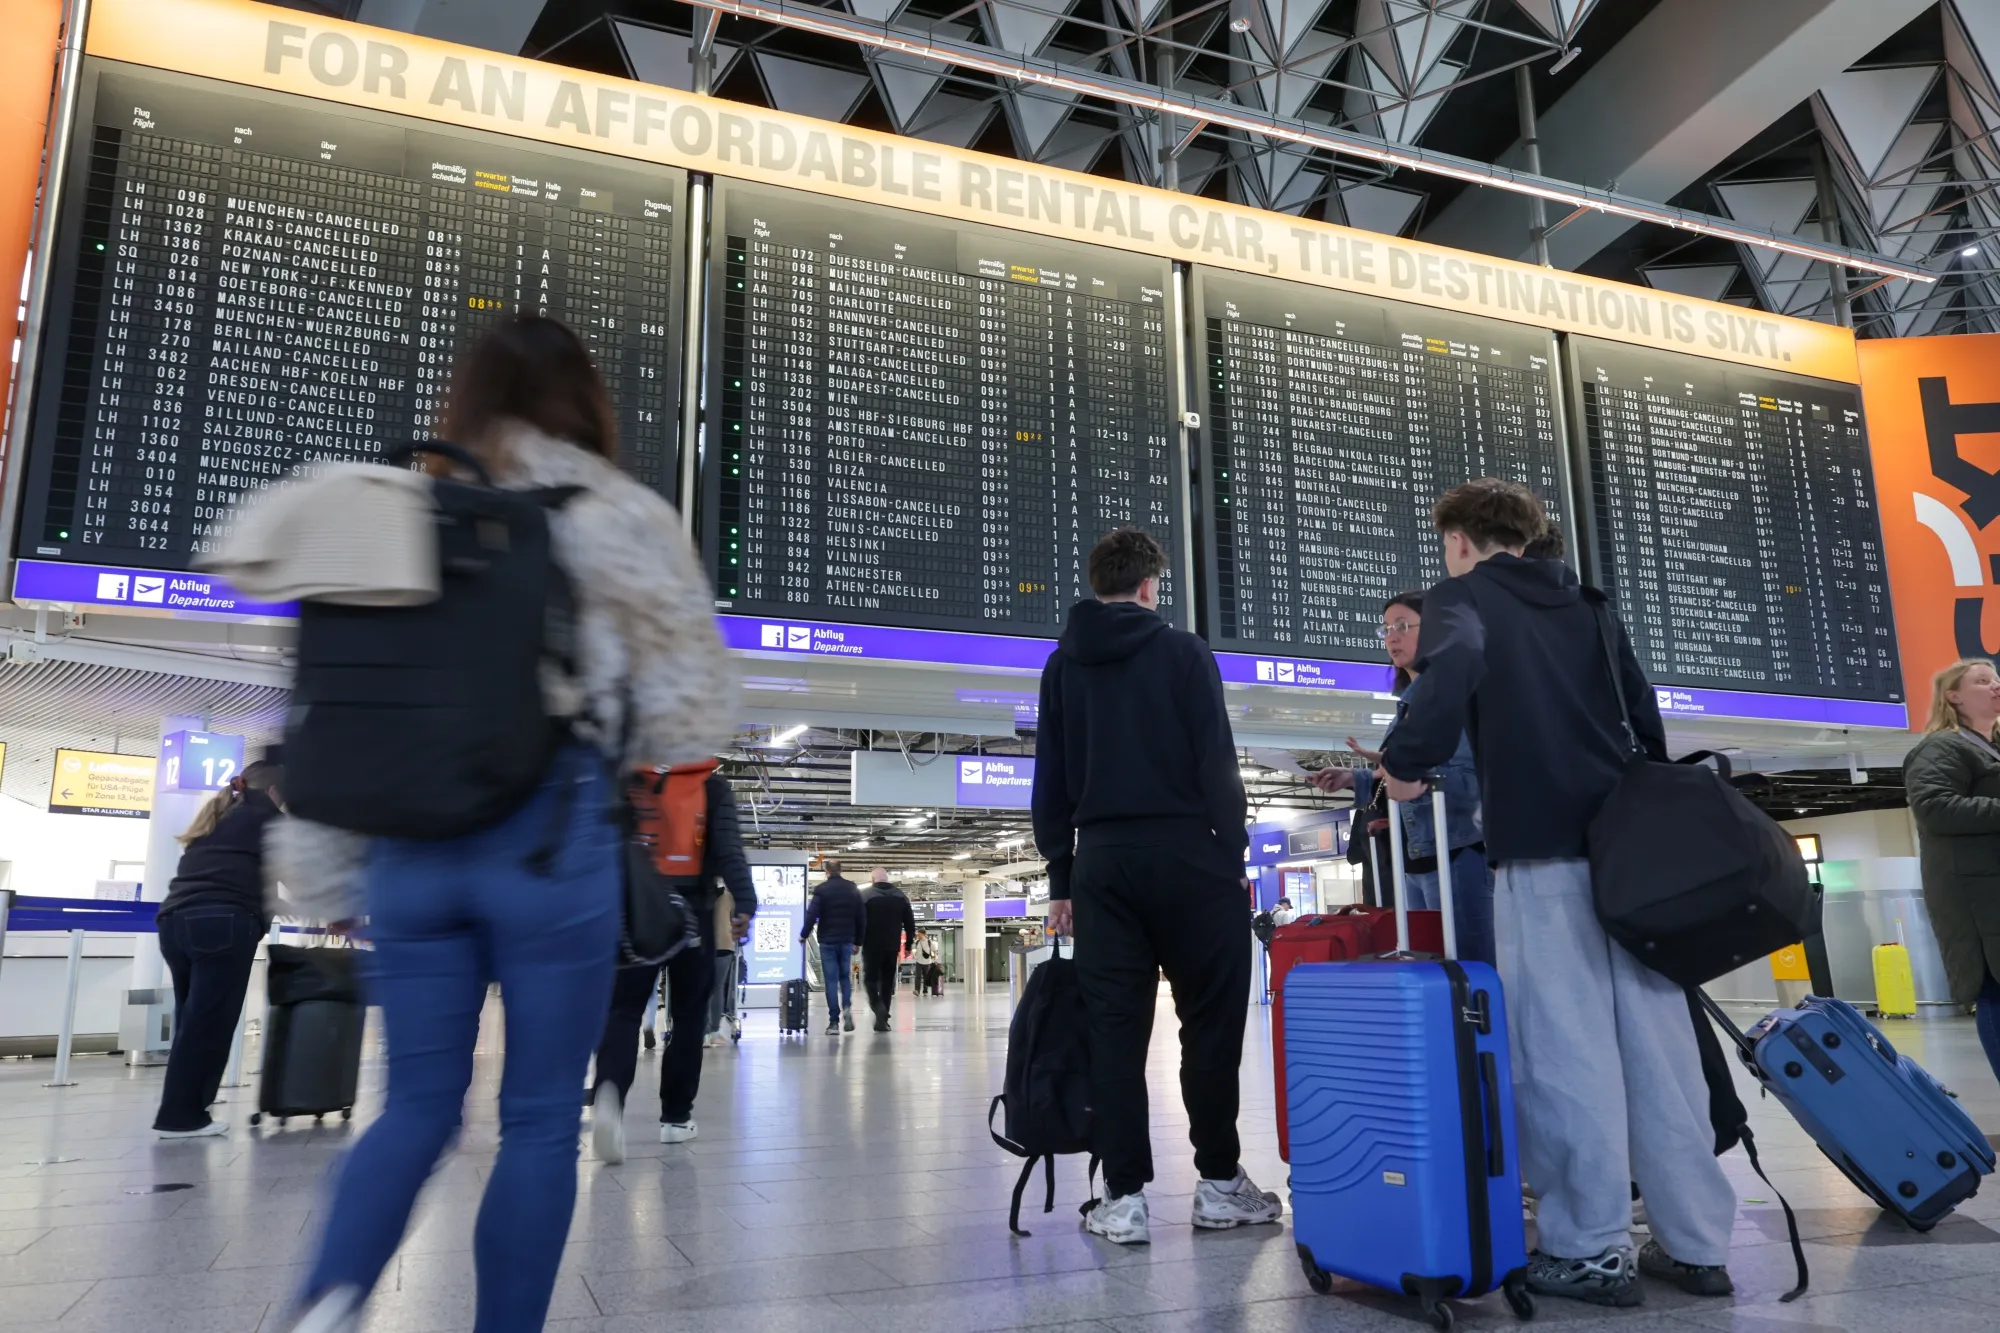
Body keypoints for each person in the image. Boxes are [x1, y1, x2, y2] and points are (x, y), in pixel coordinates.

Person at [284, 315, 734, 1333]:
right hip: (549, 840)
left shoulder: (388, 506)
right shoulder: (616, 513)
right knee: (537, 1122)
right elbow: (696, 710)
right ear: (585, 401)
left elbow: (325, 702)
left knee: (414, 1108)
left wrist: (324, 881)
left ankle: (328, 1302)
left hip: (405, 850)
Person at [1375, 479, 1736, 1307]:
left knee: (1562, 1050)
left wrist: (1407, 758)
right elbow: (1643, 717)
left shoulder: (1463, 598)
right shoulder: (1591, 602)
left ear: (1461, 540)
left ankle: (1589, 1245)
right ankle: (1694, 1243)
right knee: (1659, 1052)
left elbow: (1455, 663)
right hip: (1629, 857)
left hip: (1540, 853)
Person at [1032, 526, 1282, 1246]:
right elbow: (1216, 762)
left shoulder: (1061, 667)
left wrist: (1060, 875)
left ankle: (1125, 1195)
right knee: (1210, 1023)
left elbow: (1049, 778)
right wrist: (1231, 853)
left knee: (1115, 1030)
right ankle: (1218, 1181)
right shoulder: (1183, 651)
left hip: (1102, 863)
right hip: (1190, 857)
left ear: (1096, 581)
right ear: (1150, 586)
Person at [1310, 592, 1495, 965]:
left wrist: (1413, 775)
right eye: (1386, 629)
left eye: (1403, 626)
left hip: (1457, 855)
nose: (1392, 637)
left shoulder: (1453, 700)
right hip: (1415, 862)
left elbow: (1470, 784)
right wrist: (1355, 779)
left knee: (1469, 970)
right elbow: (1396, 779)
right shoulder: (1410, 707)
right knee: (1433, 972)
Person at [589, 770, 757, 1160]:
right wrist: (745, 903)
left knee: (623, 1013)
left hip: (635, 914)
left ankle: (610, 1098)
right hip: (693, 915)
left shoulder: (626, 776)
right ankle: (676, 1120)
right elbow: (730, 850)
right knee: (688, 1018)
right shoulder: (711, 785)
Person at [151, 760, 284, 1138]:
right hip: (223, 924)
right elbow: (301, 874)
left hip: (175, 923)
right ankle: (182, 1117)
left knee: (192, 1021)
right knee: (209, 1022)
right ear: (276, 790)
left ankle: (183, 1110)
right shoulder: (268, 817)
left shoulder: (219, 816)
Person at [1904, 657, 2000, 1086]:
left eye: (1996, 679)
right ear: (1953, 696)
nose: (1995, 685)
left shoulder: (1989, 747)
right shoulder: (1943, 747)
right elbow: (1935, 808)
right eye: (1982, 681)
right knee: (1996, 994)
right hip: (1977, 907)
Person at [800, 858, 866, 1034]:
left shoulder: (822, 890)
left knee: (831, 981)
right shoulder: (852, 888)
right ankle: (846, 1008)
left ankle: (834, 1022)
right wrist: (858, 941)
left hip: (827, 941)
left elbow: (811, 915)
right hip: (846, 940)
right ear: (841, 870)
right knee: (844, 978)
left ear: (826, 871)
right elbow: (861, 917)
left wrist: (804, 934)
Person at [860, 867, 917, 1030]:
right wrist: (908, 946)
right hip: (892, 947)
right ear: (887, 879)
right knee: (887, 982)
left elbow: (859, 922)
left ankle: (878, 1007)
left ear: (873, 879)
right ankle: (882, 1021)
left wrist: (856, 941)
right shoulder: (901, 896)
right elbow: (910, 924)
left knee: (869, 979)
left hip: (871, 946)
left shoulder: (865, 896)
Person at [706, 885, 742, 1047]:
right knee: (718, 988)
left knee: (703, 988)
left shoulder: (701, 892)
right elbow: (735, 918)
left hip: (703, 945)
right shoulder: (729, 896)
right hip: (724, 945)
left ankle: (703, 1033)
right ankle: (714, 1032)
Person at [912, 930, 941, 996]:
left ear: (923, 934)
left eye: (919, 934)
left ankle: (925, 990)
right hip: (918, 962)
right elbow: (914, 950)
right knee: (918, 976)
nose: (918, 935)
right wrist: (914, 954)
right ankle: (917, 990)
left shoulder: (929, 942)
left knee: (926, 977)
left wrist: (935, 957)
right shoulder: (917, 942)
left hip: (927, 962)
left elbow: (934, 950)